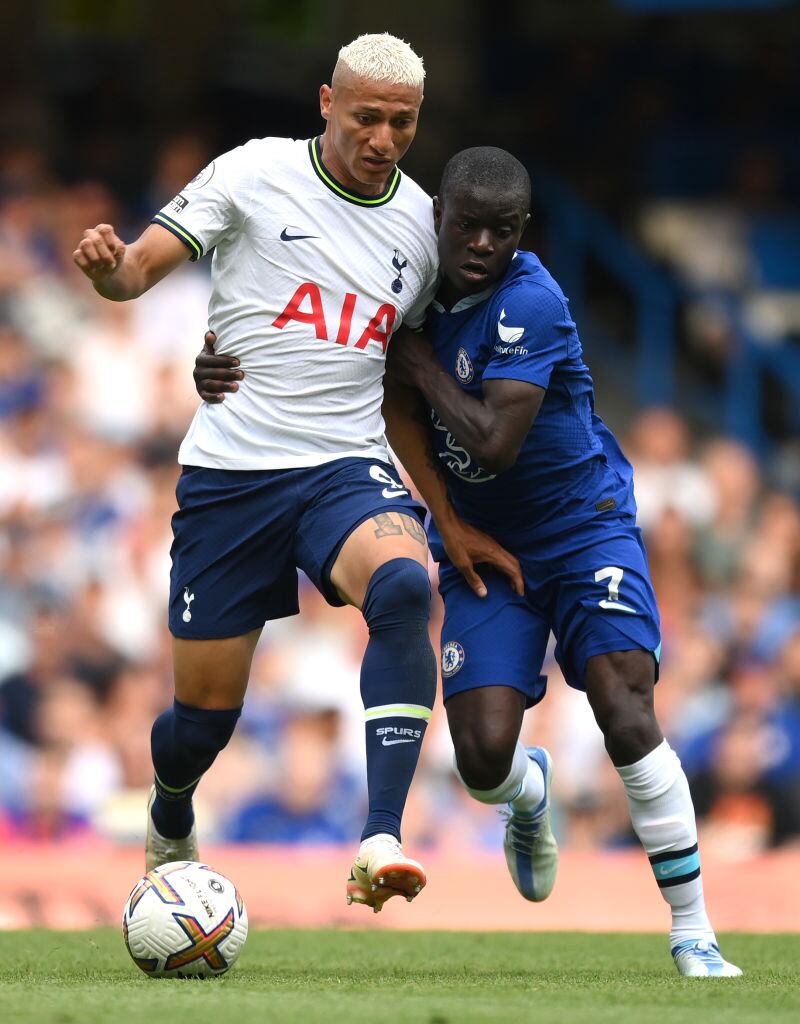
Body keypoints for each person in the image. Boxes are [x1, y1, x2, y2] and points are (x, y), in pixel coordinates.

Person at [195, 146, 742, 977]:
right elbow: (373, 393)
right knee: (483, 758)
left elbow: (491, 439)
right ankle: (528, 795)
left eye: (501, 230)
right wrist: (445, 523)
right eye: (467, 225)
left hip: (583, 525)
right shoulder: (403, 281)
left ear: (521, 233)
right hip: (482, 538)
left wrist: (416, 361)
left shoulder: (534, 300)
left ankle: (693, 930)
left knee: (623, 698)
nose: (482, 243)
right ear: (438, 217)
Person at [72, 34, 521, 914]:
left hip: (343, 465)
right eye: (365, 117)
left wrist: (445, 511)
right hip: (233, 474)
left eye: (401, 122)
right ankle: (170, 809)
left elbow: (404, 378)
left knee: (401, 587)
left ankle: (381, 837)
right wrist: (107, 270)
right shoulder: (253, 173)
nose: (383, 137)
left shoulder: (423, 231)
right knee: (201, 722)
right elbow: (136, 271)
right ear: (326, 103)